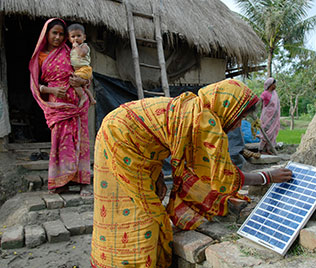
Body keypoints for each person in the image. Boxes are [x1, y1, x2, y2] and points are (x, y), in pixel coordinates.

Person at [90, 79, 292, 268]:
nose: (239, 125)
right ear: (228, 108)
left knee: (129, 203)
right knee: (146, 214)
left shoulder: (196, 107)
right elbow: (222, 175)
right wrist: (268, 177)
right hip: (122, 139)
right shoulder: (206, 121)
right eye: (240, 117)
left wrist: (158, 173)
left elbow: (154, 134)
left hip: (128, 136)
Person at [29, 18, 91, 195]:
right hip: (57, 105)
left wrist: (82, 80)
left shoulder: (70, 51)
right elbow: (35, 85)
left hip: (77, 103)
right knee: (60, 142)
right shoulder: (39, 56)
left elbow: (85, 69)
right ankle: (60, 182)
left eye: (61, 34)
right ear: (46, 34)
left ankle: (83, 182)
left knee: (80, 141)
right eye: (54, 33)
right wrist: (52, 89)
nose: (57, 37)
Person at [67, 23, 96, 107]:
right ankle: (92, 99)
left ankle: (83, 97)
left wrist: (76, 46)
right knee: (84, 87)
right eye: (73, 36)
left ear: (84, 37)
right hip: (79, 70)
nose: (76, 38)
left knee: (74, 82)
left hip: (84, 69)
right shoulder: (72, 50)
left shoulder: (84, 46)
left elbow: (82, 54)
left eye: (79, 36)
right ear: (69, 38)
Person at [258, 77, 281, 154]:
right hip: (267, 117)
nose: (275, 85)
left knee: (272, 132)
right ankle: (260, 149)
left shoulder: (275, 94)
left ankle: (268, 149)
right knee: (266, 133)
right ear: (270, 85)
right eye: (274, 84)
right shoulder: (265, 94)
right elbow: (259, 102)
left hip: (274, 117)